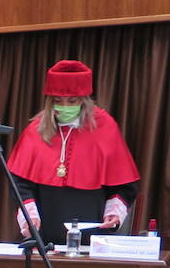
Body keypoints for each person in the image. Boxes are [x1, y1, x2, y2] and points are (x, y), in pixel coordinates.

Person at [8, 59, 140, 238]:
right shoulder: (36, 129)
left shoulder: (105, 127)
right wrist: (29, 215)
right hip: (45, 227)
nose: (65, 106)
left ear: (84, 100)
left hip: (92, 228)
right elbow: (19, 182)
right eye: (57, 101)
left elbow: (124, 184)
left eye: (72, 101)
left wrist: (114, 212)